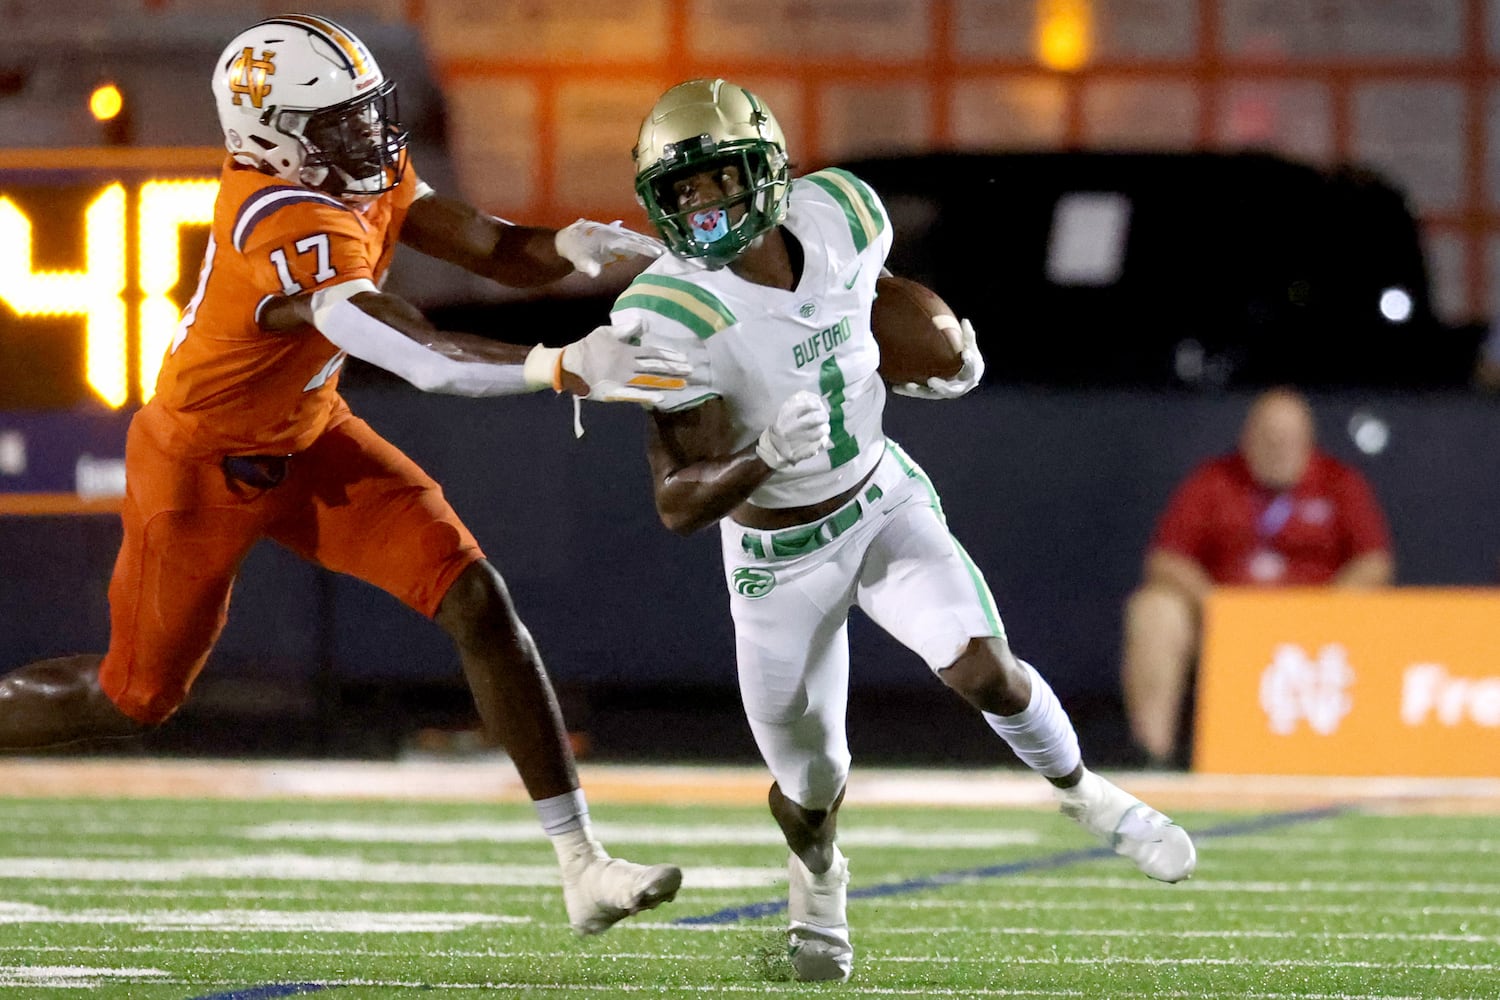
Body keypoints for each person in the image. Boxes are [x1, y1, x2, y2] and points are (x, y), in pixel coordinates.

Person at [0, 14, 690, 937]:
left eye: (368, 113)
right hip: (204, 466)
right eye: (338, 123)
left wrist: (565, 247)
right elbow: (426, 360)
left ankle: (583, 866)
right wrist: (557, 366)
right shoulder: (283, 217)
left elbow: (483, 245)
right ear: (272, 137)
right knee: (132, 699)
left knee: (475, 599)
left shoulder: (347, 170)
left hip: (311, 434)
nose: (368, 137)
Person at [611, 78, 1197, 983]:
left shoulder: (841, 211)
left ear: (766, 172)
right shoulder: (671, 311)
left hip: (880, 498)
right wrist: (764, 454)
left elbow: (876, 297)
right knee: (811, 784)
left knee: (983, 668)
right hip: (773, 556)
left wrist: (946, 355)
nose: (701, 206)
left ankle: (1090, 798)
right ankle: (818, 880)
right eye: (679, 192)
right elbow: (677, 504)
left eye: (716, 179)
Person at [1120, 387, 1395, 768]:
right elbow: (1166, 559)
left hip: (1318, 627)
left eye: (1288, 438)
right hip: (1223, 622)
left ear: (1308, 440)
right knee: (1154, 609)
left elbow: (1374, 562)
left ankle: (1372, 754)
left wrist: (1329, 610)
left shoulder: (1340, 483)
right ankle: (1153, 756)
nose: (1278, 447)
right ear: (1247, 437)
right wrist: (1214, 603)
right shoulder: (1213, 481)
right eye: (1269, 437)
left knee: (1379, 607)